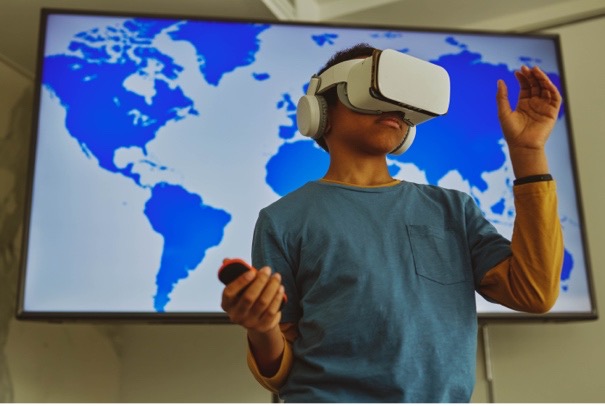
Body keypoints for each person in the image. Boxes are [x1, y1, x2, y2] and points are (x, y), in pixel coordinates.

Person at [221, 43, 563, 402]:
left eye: (402, 98)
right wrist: (262, 329)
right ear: (321, 110)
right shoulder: (283, 220)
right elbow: (282, 369)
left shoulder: (452, 209)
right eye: (372, 91)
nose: (393, 108)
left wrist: (528, 153)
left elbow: (534, 293)